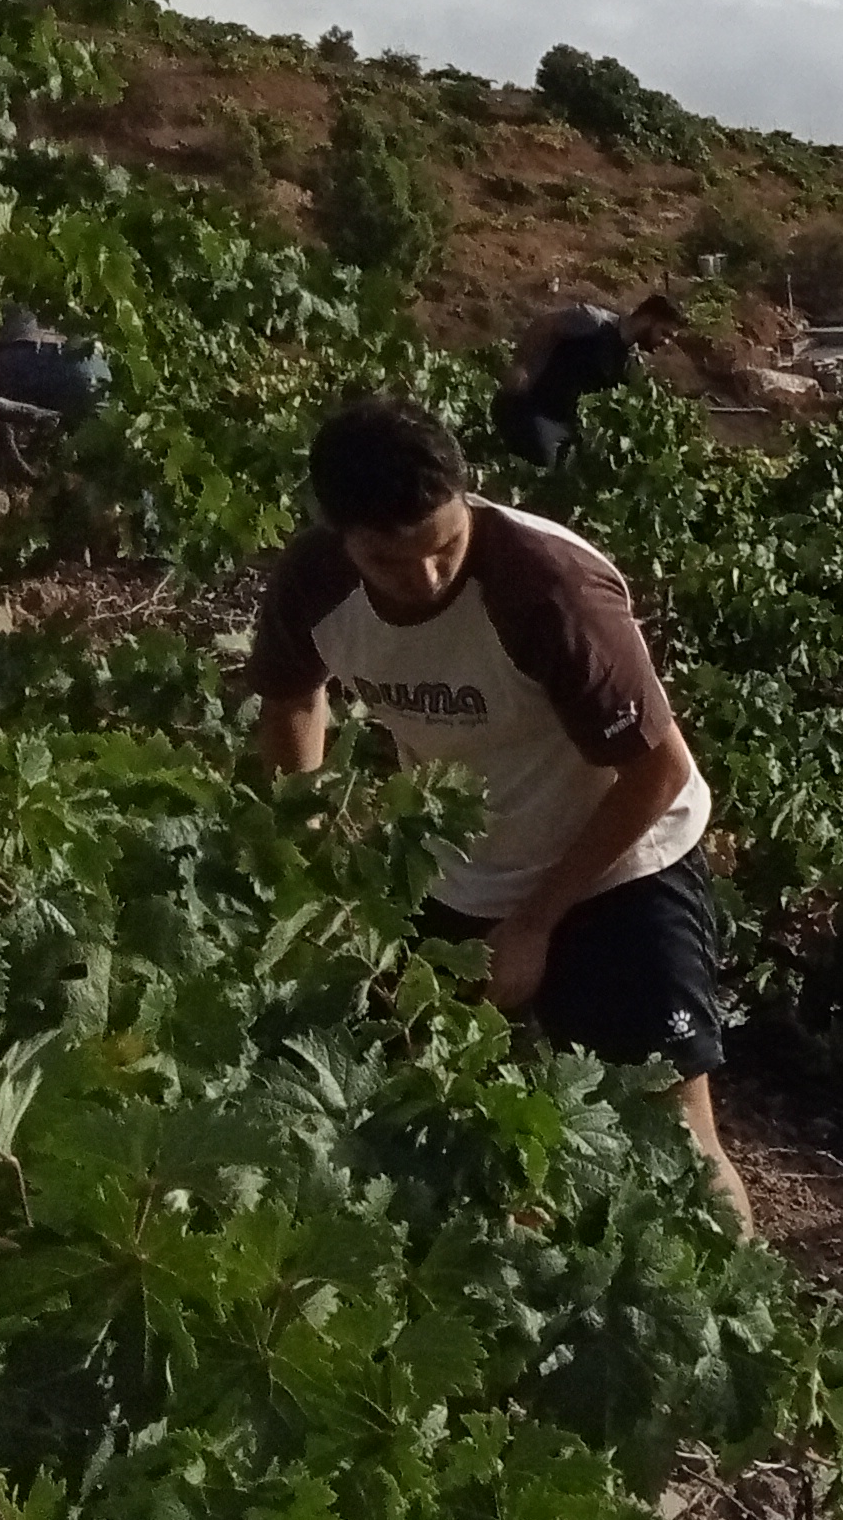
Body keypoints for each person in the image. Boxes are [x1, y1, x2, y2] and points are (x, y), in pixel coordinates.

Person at [250, 392, 753, 1233]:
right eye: (388, 560)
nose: (426, 579)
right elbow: (293, 700)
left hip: (623, 860)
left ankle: (742, 1319)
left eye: (444, 548)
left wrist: (535, 924)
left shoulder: (547, 587)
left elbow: (659, 771)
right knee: (467, 1123)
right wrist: (304, 842)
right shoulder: (313, 583)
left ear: (466, 496)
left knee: (674, 1140)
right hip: (461, 865)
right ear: (341, 534)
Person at [492, 295, 680, 466]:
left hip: (564, 431)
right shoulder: (593, 322)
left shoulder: (630, 363)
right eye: (664, 333)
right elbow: (544, 325)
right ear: (647, 319)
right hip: (531, 411)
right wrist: (523, 366)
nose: (666, 342)